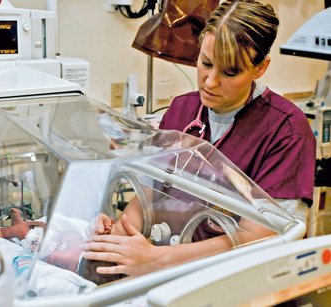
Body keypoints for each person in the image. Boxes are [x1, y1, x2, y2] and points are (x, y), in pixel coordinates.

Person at [83, 0, 316, 277]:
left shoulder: (286, 130)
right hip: (169, 273)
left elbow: (261, 237)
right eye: (205, 63)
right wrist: (120, 234)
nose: (210, 81)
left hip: (236, 283)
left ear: (260, 68)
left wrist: (158, 259)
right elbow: (147, 198)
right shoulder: (181, 110)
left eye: (230, 72)